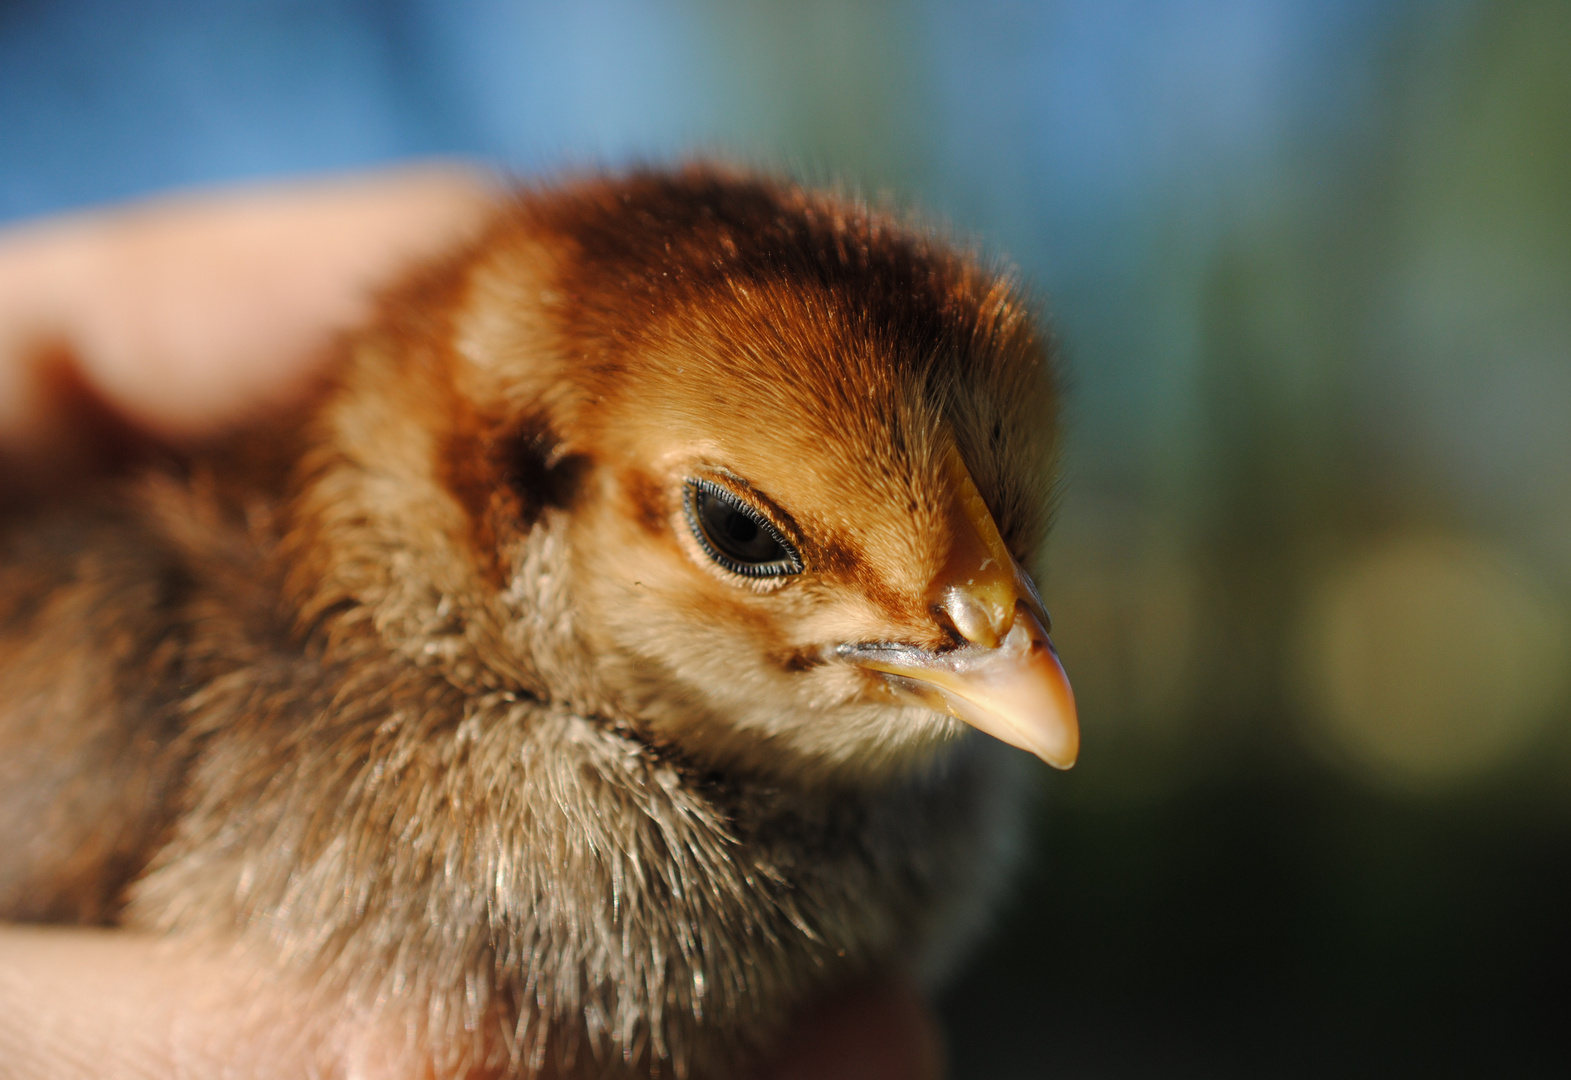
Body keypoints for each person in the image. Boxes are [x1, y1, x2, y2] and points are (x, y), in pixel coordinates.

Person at [0, 166, 942, 1080]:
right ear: (522, 492)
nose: (1020, 646)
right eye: (743, 533)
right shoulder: (145, 656)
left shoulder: (920, 770)